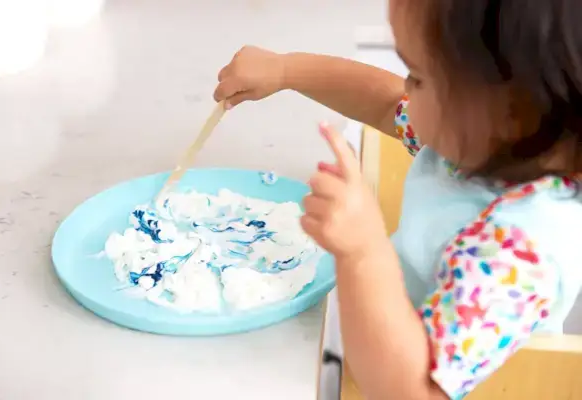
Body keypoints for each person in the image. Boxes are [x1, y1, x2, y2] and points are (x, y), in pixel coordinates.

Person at [214, 1, 582, 399]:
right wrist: (287, 70)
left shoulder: (518, 251)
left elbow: (410, 392)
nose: (405, 88)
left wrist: (363, 250)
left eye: (418, 77)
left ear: (512, 112)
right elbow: (387, 104)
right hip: (372, 347)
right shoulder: (482, 140)